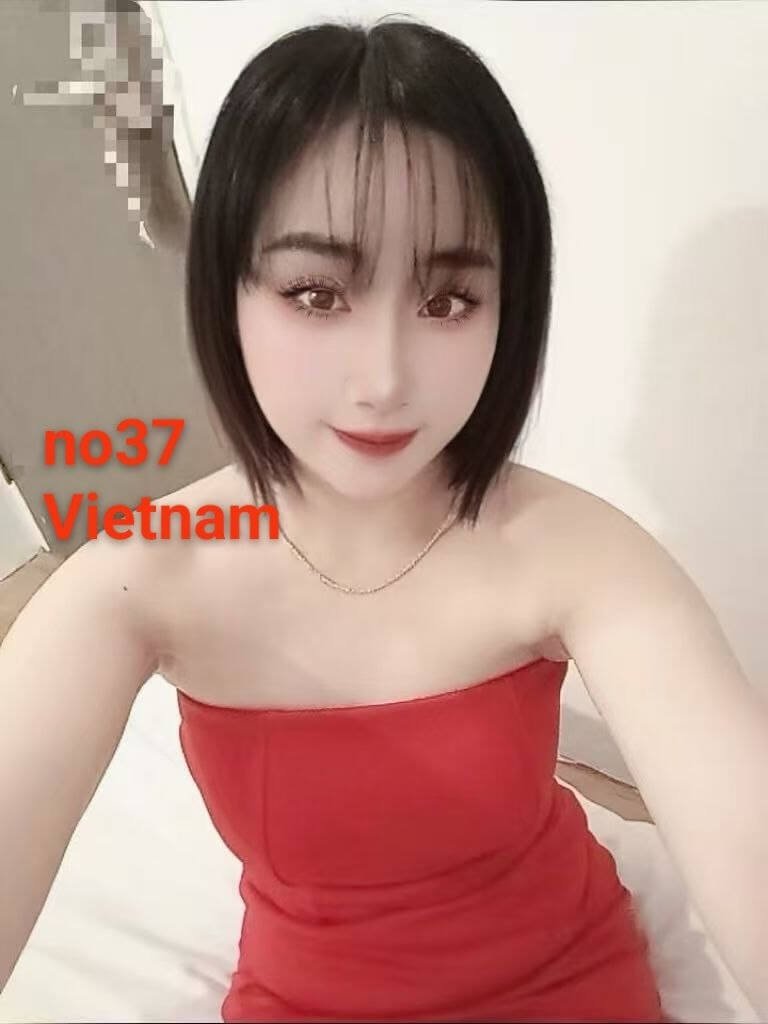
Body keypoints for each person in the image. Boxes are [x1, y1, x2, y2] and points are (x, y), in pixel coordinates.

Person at [2, 15, 766, 1024]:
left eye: (448, 300)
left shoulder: (571, 552)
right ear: (227, 291)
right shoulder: (146, 574)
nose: (385, 379)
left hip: (563, 983)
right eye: (317, 293)